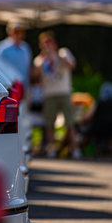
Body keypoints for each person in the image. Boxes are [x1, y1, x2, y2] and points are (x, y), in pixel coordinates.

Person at [33, 30, 81, 159]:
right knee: (49, 124)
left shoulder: (63, 53)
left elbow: (72, 66)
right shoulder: (39, 59)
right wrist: (44, 58)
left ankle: (75, 149)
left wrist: (56, 55)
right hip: (49, 94)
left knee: (70, 122)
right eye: (45, 43)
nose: (47, 46)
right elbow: (35, 76)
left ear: (54, 43)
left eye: (49, 42)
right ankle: (52, 149)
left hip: (64, 92)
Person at [0, 21, 32, 89]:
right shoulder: (2, 48)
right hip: (9, 87)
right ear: (9, 32)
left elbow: (28, 69)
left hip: (23, 87)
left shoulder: (26, 47)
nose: (19, 34)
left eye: (21, 31)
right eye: (16, 31)